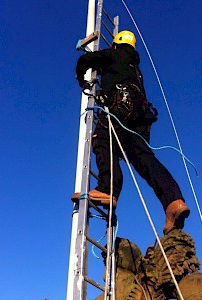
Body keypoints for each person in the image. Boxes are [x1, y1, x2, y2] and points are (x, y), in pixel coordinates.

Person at [72, 30, 190, 234]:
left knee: (102, 141)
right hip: (140, 114)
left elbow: (86, 59)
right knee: (144, 158)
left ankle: (106, 189)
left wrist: (81, 79)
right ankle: (173, 201)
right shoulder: (136, 69)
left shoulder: (113, 54)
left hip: (119, 106)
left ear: (116, 45)